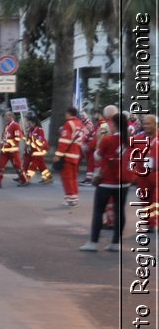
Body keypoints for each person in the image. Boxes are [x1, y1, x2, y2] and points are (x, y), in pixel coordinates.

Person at [80, 110, 132, 252]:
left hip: (106, 181)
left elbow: (97, 156)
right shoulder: (130, 140)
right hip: (124, 182)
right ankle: (115, 243)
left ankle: (93, 242)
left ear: (114, 125)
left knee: (98, 211)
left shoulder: (108, 140)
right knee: (120, 212)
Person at [54, 107, 85, 206]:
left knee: (67, 178)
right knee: (73, 177)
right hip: (76, 155)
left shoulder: (68, 124)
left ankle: (70, 199)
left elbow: (64, 141)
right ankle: (74, 196)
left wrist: (58, 155)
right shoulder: (80, 124)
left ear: (68, 113)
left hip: (67, 155)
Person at [0, 111, 26, 187]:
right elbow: (4, 137)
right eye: (5, 116)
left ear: (11, 117)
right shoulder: (6, 126)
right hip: (4, 151)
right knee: (0, 166)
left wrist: (9, 144)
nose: (5, 117)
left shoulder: (15, 125)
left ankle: (23, 180)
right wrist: (2, 144)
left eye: (7, 116)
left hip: (12, 151)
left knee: (17, 166)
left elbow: (17, 138)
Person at [25, 117, 50, 183]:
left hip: (40, 150)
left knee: (33, 164)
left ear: (34, 123)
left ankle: (27, 177)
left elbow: (41, 139)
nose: (28, 124)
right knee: (41, 165)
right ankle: (48, 177)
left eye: (30, 123)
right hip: (33, 150)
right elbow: (28, 140)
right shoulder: (30, 130)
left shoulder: (39, 130)